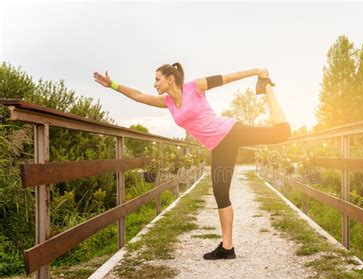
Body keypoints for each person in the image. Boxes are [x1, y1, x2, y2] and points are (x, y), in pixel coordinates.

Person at [93, 63, 291, 260]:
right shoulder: (167, 102)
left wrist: (256, 72)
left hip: (231, 132)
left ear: (170, 79)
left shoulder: (195, 87)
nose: (154, 84)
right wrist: (113, 85)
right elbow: (138, 96)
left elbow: (227, 77)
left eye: (157, 79)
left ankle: (267, 88)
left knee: (282, 133)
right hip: (219, 147)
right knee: (220, 193)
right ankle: (227, 247)